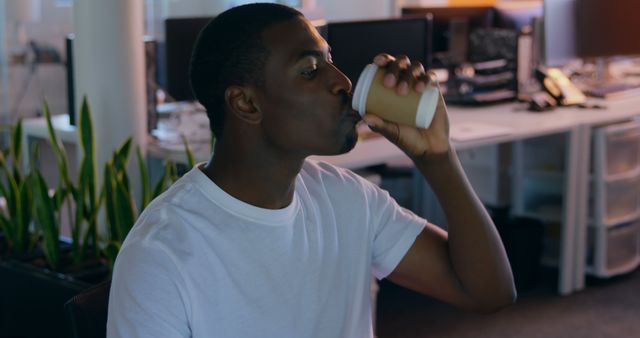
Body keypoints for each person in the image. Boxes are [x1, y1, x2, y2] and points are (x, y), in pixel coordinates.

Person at [107, 3, 516, 338]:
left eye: (331, 62)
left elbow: (488, 292)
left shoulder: (348, 198)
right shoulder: (163, 254)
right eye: (309, 71)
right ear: (246, 104)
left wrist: (437, 158)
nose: (342, 82)